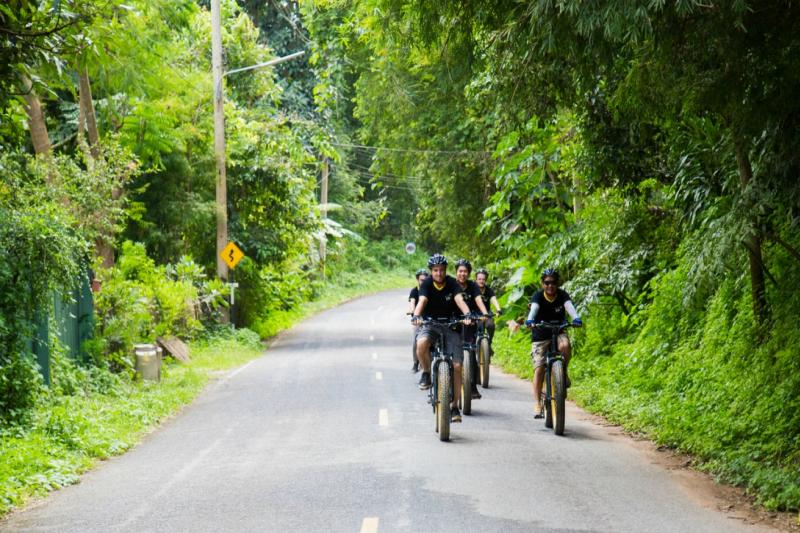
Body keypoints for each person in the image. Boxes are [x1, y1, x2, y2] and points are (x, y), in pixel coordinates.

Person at [412, 254, 473, 423]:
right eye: (435, 270)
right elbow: (422, 301)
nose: (439, 273)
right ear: (431, 271)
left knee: (458, 365)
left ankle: (454, 406)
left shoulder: (452, 283)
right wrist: (416, 316)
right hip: (430, 324)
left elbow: (459, 299)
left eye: (442, 270)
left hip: (451, 326)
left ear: (446, 271)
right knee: (421, 343)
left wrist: (467, 314)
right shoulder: (426, 284)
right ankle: (426, 373)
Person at [522, 268, 582, 418]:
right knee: (539, 369)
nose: (550, 286)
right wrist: (530, 320)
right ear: (542, 284)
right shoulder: (538, 296)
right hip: (540, 334)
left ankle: (563, 372)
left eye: (553, 283)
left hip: (559, 331)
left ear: (557, 284)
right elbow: (534, 308)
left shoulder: (562, 295)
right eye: (547, 283)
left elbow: (569, 307)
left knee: (565, 346)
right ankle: (537, 403)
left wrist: (575, 318)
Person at [453, 259, 489, 399]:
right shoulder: (451, 284)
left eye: (465, 271)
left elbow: (479, 300)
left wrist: (484, 313)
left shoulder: (473, 286)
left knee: (471, 352)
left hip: (470, 322)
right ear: (456, 272)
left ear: (469, 273)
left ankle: (472, 386)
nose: (463, 274)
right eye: (460, 271)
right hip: (454, 322)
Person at [407, 268, 428, 373]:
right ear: (417, 280)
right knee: (416, 340)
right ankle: (416, 363)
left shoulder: (430, 290)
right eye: (421, 280)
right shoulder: (414, 291)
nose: (423, 282)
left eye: (425, 280)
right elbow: (412, 302)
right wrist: (413, 311)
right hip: (418, 320)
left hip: (430, 319)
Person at [475, 267, 502, 345]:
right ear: (476, 279)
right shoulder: (472, 288)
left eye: (483, 279)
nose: (481, 281)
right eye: (479, 279)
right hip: (475, 313)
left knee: (490, 325)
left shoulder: (488, 290)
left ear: (485, 280)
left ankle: (488, 343)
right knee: (476, 329)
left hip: (487, 313)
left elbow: (493, 299)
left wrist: (498, 309)